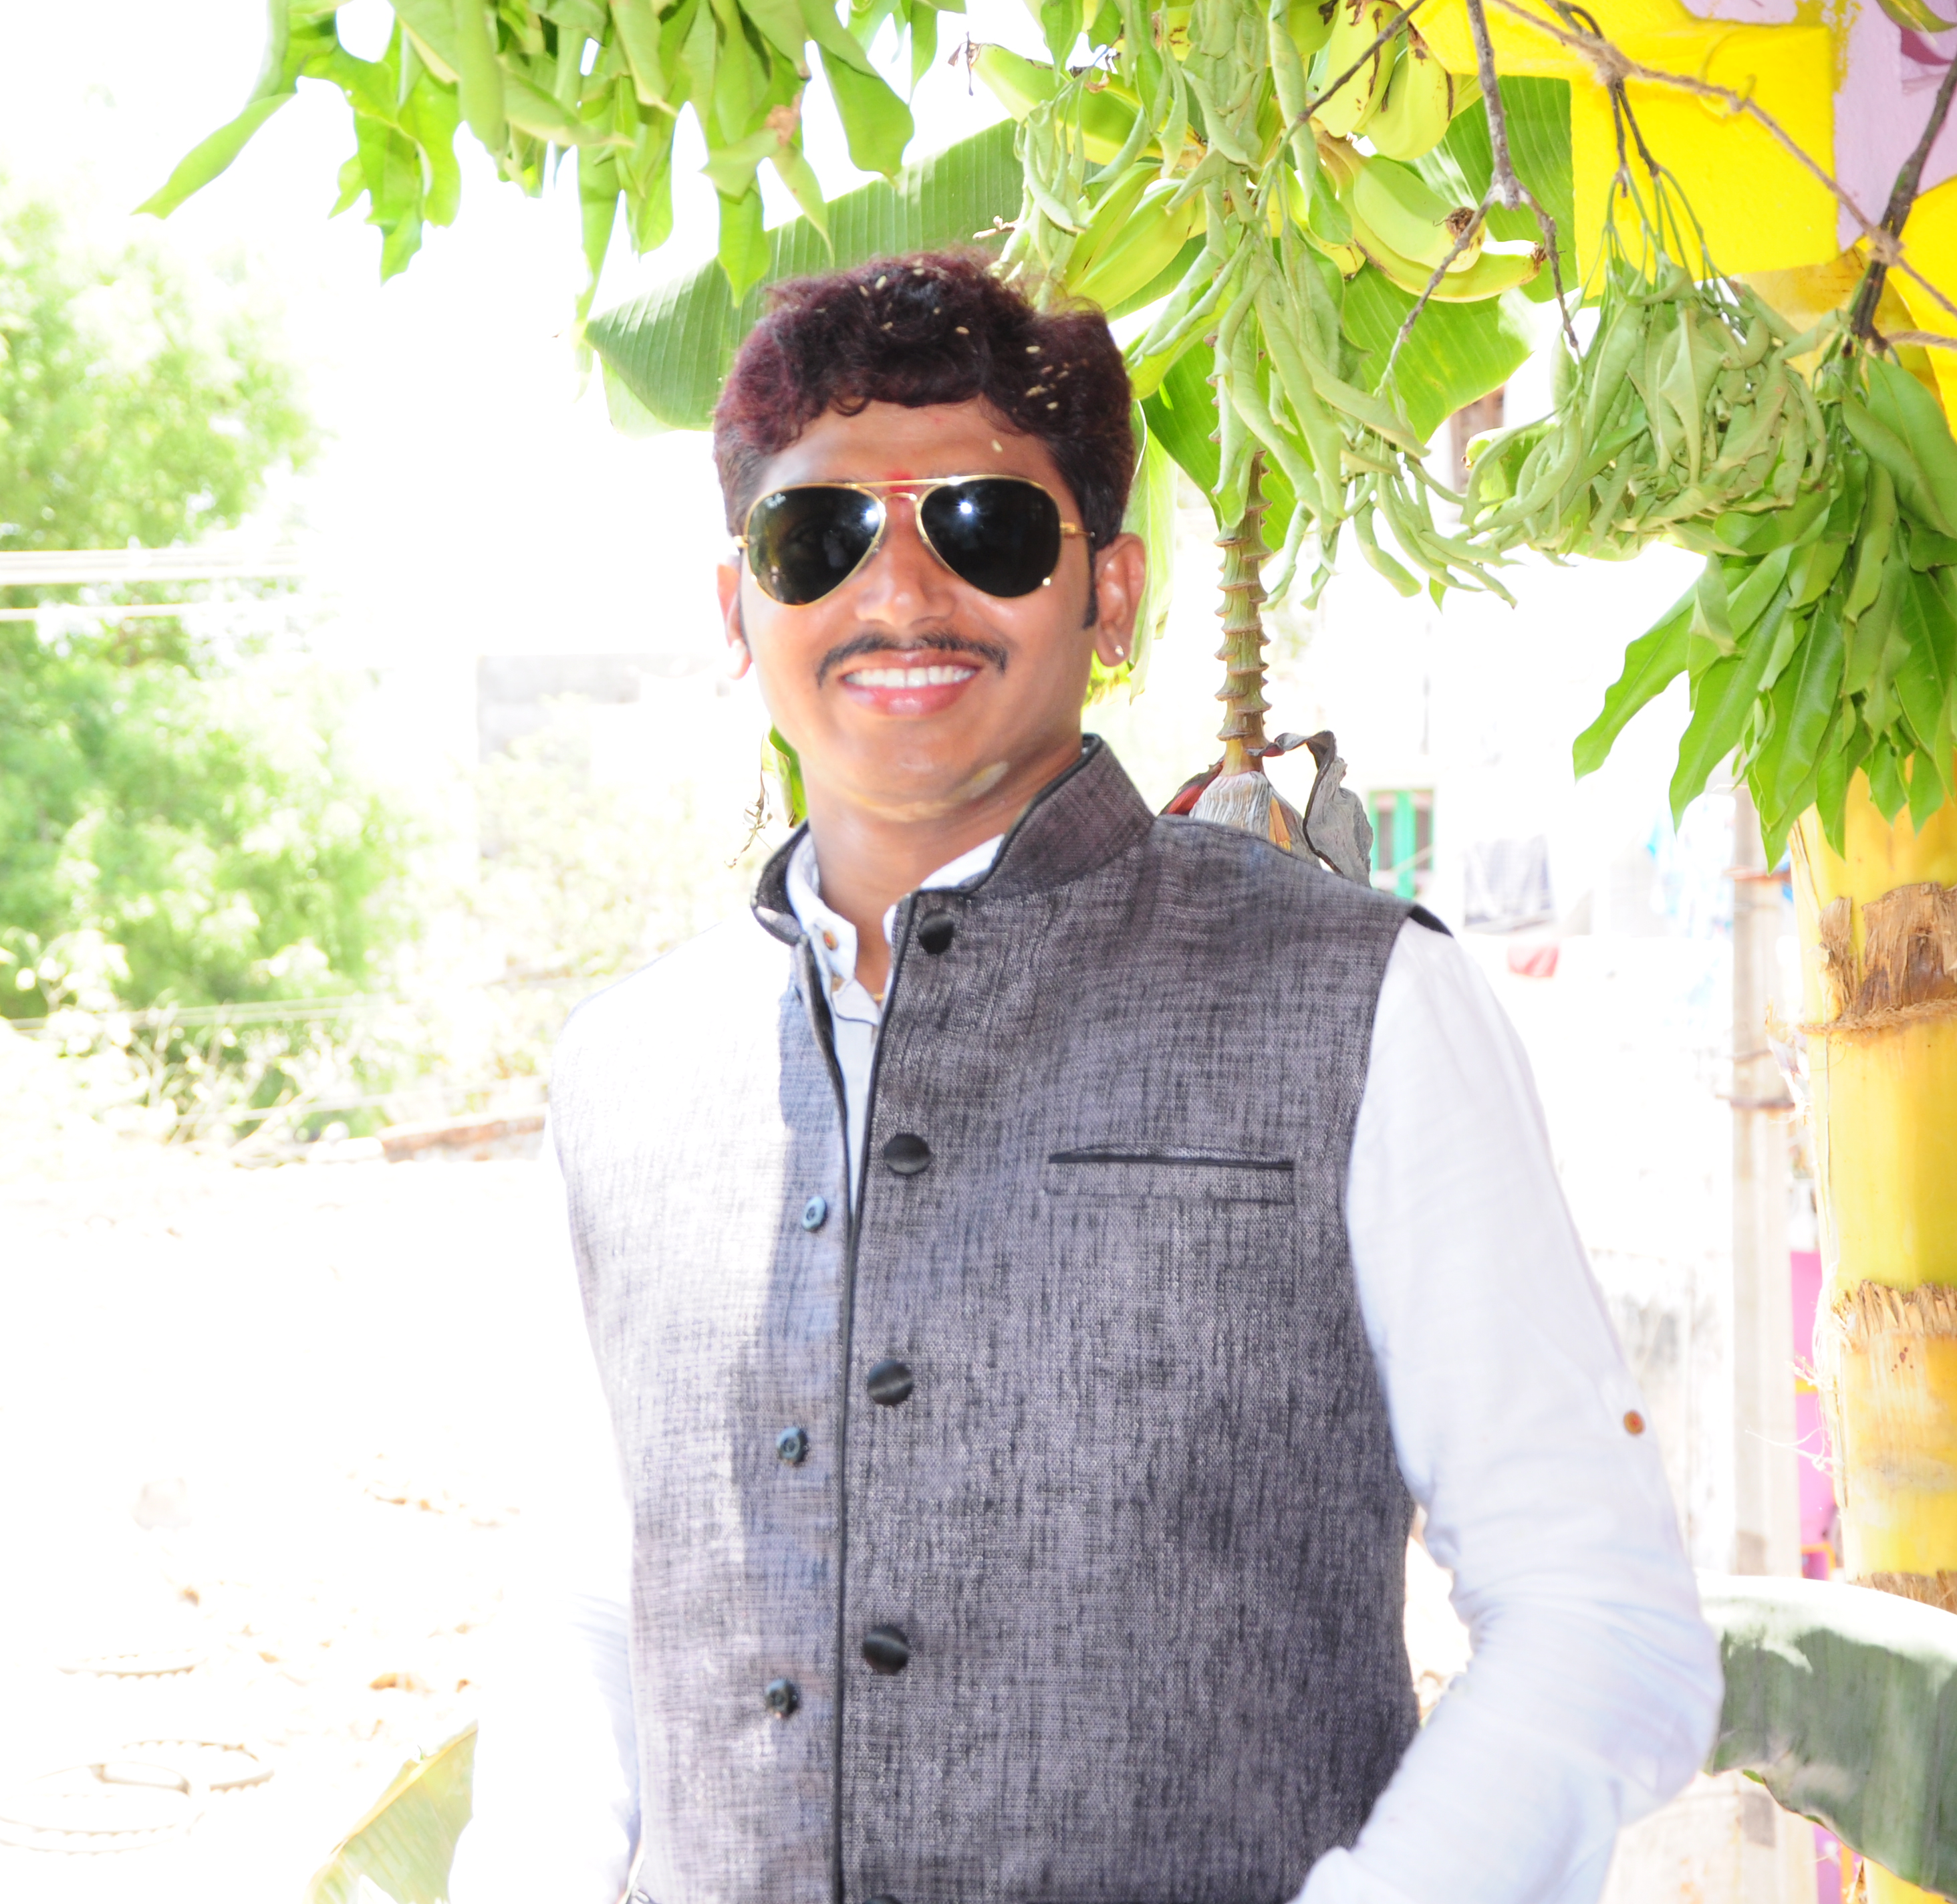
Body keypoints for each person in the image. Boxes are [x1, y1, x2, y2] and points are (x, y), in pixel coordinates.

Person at [448, 249, 1718, 1904]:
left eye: (982, 525)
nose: (897, 591)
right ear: (736, 607)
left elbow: (1597, 1618)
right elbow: (595, 1600)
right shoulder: (629, 1074)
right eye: (817, 535)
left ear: (1108, 596)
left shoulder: (1357, 1007)